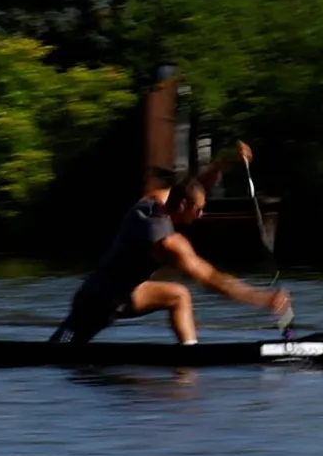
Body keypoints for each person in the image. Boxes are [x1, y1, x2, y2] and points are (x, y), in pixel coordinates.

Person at [47, 141, 290, 345]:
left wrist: (223, 162)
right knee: (60, 350)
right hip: (96, 302)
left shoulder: (156, 199)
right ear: (183, 206)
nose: (201, 216)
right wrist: (262, 298)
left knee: (179, 295)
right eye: (199, 210)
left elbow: (193, 188)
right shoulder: (169, 242)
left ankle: (190, 357)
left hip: (128, 293)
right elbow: (212, 280)